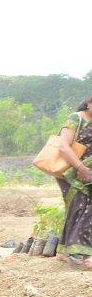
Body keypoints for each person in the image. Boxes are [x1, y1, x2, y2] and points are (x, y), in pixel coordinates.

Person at [54, 95, 92, 264]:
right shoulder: (75, 118)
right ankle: (79, 254)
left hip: (88, 172)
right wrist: (81, 168)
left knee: (78, 208)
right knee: (81, 207)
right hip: (71, 171)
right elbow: (62, 146)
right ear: (89, 103)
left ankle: (65, 251)